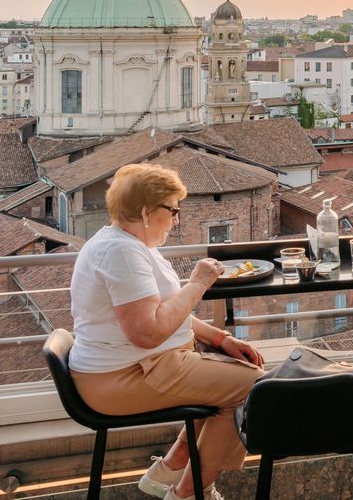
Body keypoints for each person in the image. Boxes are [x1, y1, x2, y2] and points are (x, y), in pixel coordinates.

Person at [68, 163, 264, 500]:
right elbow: (147, 333)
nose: (176, 220)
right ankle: (189, 493)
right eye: (173, 210)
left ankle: (170, 469)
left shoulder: (128, 244)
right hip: (125, 377)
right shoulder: (122, 253)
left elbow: (165, 310)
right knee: (254, 388)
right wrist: (198, 283)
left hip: (136, 367)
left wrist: (220, 339)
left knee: (234, 376)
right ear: (147, 212)